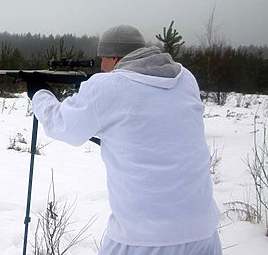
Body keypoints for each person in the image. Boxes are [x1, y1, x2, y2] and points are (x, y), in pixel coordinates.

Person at [30, 25, 221, 255]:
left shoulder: (108, 86)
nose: (101, 67)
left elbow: (62, 125)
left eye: (103, 59)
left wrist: (39, 94)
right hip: (204, 234)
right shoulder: (185, 79)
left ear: (115, 57)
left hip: (141, 239)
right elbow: (148, 122)